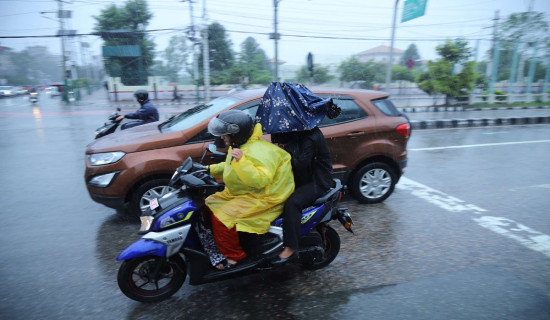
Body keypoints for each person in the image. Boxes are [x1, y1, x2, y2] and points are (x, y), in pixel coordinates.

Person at [205, 110, 295, 269]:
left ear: (236, 134)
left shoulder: (259, 152)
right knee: (207, 205)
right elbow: (229, 167)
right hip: (246, 192)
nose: (222, 138)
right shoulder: (241, 146)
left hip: (264, 197)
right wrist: (206, 170)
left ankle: (234, 257)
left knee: (221, 218)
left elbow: (260, 180)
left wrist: (242, 162)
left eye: (225, 135)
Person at [269, 126, 335, 266]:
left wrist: (282, 149)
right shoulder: (296, 130)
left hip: (317, 180)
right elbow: (279, 143)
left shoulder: (310, 136)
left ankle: (291, 247)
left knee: (292, 203)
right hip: (301, 177)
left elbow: (300, 163)